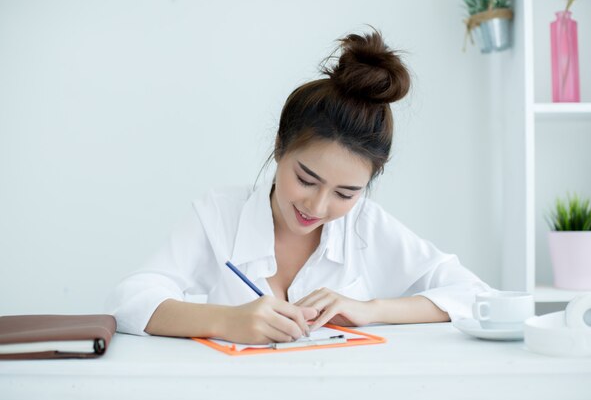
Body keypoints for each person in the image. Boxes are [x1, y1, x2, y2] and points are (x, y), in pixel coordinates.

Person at [106, 29, 490, 344]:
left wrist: (370, 309)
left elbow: (476, 296)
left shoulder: (367, 226)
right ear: (279, 147)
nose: (318, 206)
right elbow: (130, 301)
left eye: (346, 193)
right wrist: (226, 321)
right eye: (306, 179)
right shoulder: (219, 214)